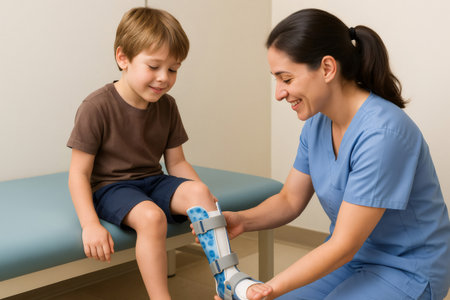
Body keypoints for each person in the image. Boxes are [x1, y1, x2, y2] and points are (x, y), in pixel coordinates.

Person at [217, 8, 450, 300]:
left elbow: (344, 244)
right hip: (351, 260)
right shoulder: (317, 122)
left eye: (286, 79)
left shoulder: (383, 134)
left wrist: (267, 290)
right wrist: (242, 220)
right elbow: (289, 200)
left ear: (327, 68)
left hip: (407, 270)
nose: (278, 93)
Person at [67, 7, 271, 300]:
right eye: (154, 67)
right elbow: (78, 174)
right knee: (151, 218)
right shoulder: (96, 107)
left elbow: (176, 162)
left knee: (200, 192)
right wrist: (90, 225)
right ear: (122, 58)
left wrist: (202, 195)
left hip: (152, 180)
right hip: (111, 188)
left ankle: (226, 278)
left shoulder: (167, 105)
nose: (164, 78)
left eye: (173, 69)